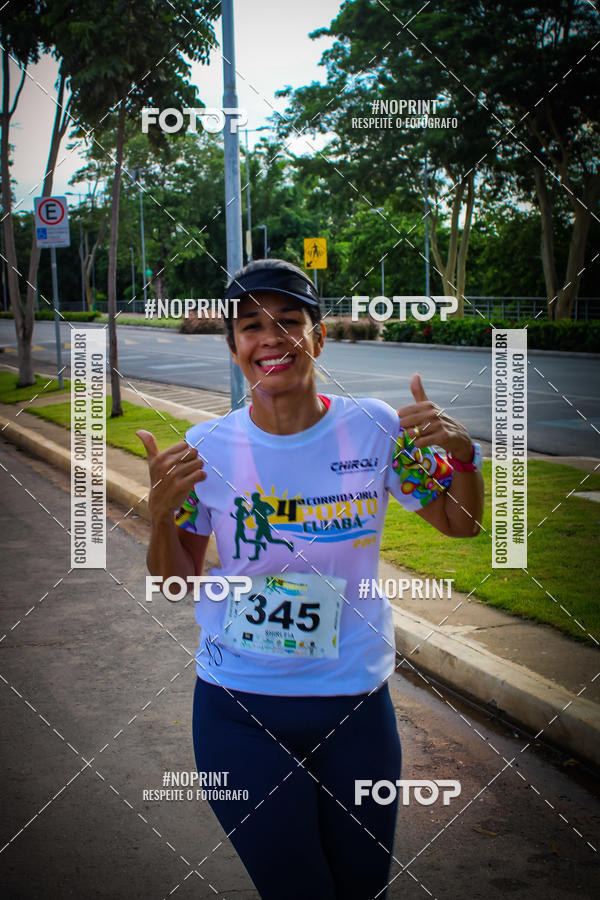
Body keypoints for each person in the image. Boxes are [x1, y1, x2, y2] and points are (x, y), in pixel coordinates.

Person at [137, 258, 484, 899]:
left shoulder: (374, 427)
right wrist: (160, 519)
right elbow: (176, 583)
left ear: (318, 337)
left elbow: (460, 523)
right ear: (235, 348)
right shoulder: (204, 447)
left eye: (289, 321)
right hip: (238, 709)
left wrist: (464, 458)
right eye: (250, 326)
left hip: (355, 708)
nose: (271, 338)